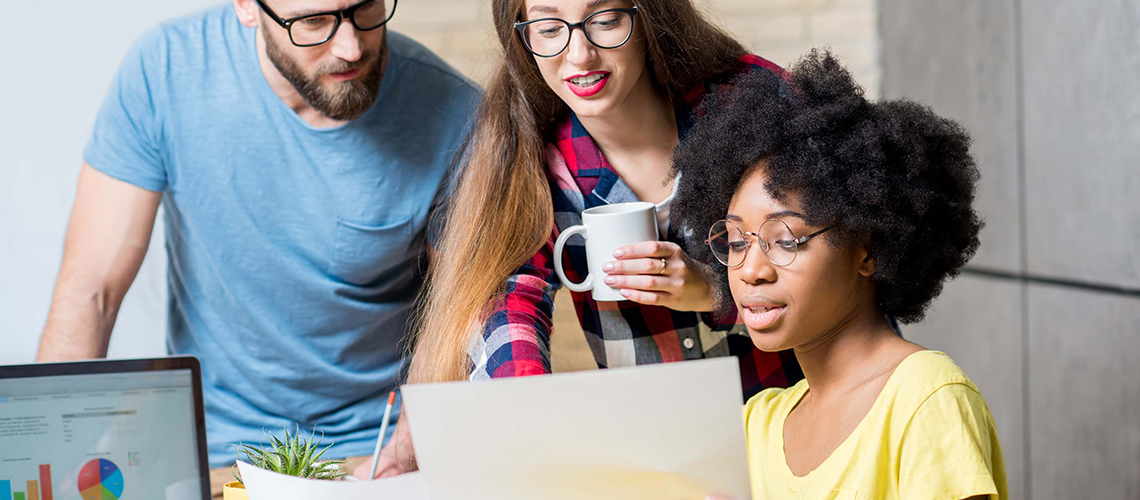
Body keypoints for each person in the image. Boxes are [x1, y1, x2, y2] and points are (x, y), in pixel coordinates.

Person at [35, 0, 480, 491]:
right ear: (248, 7)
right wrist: (49, 460)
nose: (351, 46)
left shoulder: (456, 114)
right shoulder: (166, 68)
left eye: (367, 7)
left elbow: (457, 314)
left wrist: (413, 441)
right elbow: (92, 290)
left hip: (373, 452)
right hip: (210, 448)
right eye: (313, 21)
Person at [381, 0, 802, 476]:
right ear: (523, 37)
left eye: (604, 21)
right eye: (547, 27)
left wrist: (716, 292)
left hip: (807, 420)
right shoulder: (535, 163)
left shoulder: (751, 101)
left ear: (649, 17)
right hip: (675, 458)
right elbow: (506, 301)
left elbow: (844, 258)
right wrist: (530, 407)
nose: (579, 55)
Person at [674, 51, 1007, 499]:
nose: (750, 270)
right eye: (736, 242)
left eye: (787, 239)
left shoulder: (923, 396)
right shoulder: (759, 425)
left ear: (866, 249)